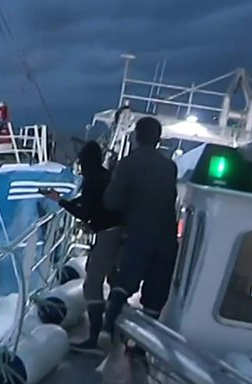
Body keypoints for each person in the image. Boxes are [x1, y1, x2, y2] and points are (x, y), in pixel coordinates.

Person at [102, 116, 178, 344]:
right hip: (166, 238)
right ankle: (142, 346)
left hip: (138, 234)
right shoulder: (170, 167)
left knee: (123, 284)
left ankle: (107, 331)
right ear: (158, 139)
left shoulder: (128, 164)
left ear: (137, 136)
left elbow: (111, 201)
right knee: (155, 295)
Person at [42, 141, 123, 355]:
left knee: (92, 286)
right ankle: (111, 329)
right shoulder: (105, 176)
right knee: (114, 282)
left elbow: (85, 212)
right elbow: (92, 202)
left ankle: (95, 338)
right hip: (119, 234)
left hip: (107, 235)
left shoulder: (91, 180)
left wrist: (60, 201)